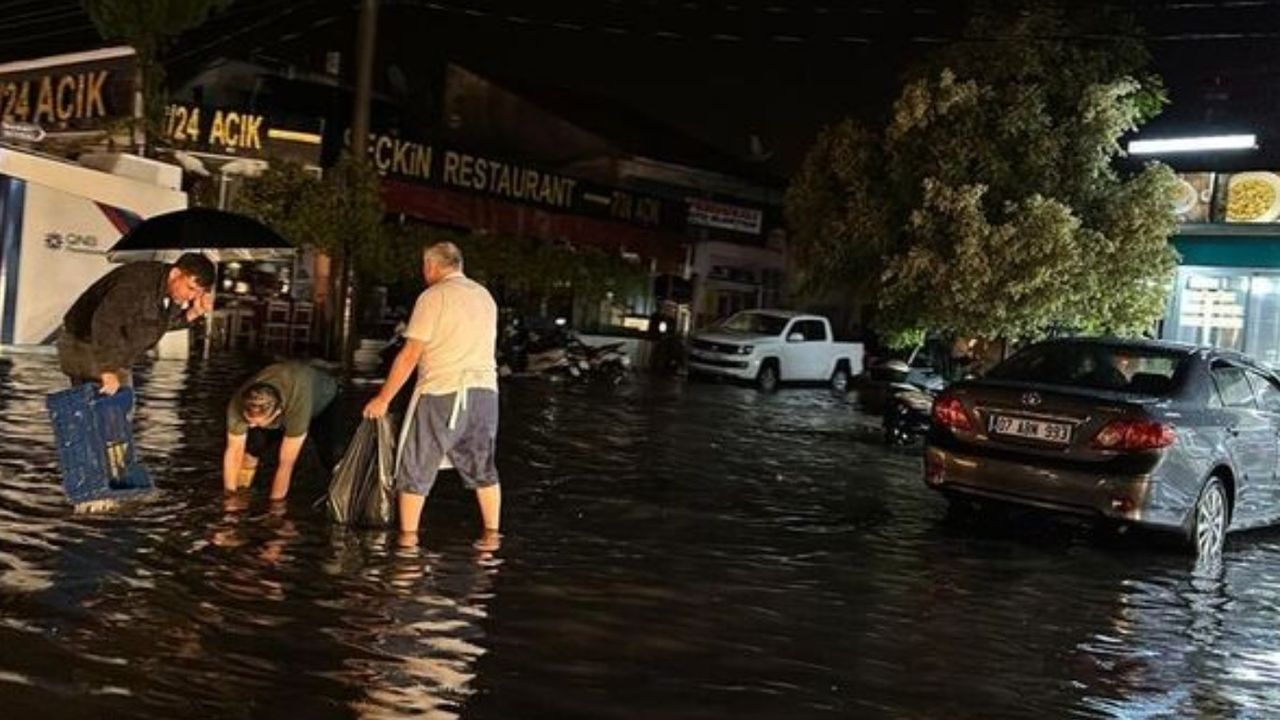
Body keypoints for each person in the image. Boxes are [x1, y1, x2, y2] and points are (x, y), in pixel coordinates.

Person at [363, 241, 501, 549]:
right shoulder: (485, 296)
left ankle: (407, 545)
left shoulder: (433, 296)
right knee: (483, 468)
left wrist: (383, 398)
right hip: (486, 394)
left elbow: (410, 354)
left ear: (431, 266)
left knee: (415, 467)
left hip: (443, 391)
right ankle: (492, 539)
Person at [59, 252, 216, 394]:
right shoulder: (137, 282)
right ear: (176, 273)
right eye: (190, 288)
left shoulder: (172, 292)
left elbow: (157, 326)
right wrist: (106, 370)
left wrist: (193, 313)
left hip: (116, 354)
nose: (191, 296)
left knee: (120, 412)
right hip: (85, 344)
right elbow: (106, 321)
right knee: (97, 413)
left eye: (198, 292)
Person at [223, 361, 340, 501]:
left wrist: (276, 510)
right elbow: (234, 451)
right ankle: (241, 495)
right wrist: (230, 500)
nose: (251, 426)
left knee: (329, 457)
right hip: (283, 394)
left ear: (278, 413)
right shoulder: (238, 403)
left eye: (256, 423)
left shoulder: (297, 408)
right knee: (252, 449)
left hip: (322, 401)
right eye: (248, 421)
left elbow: (286, 464)